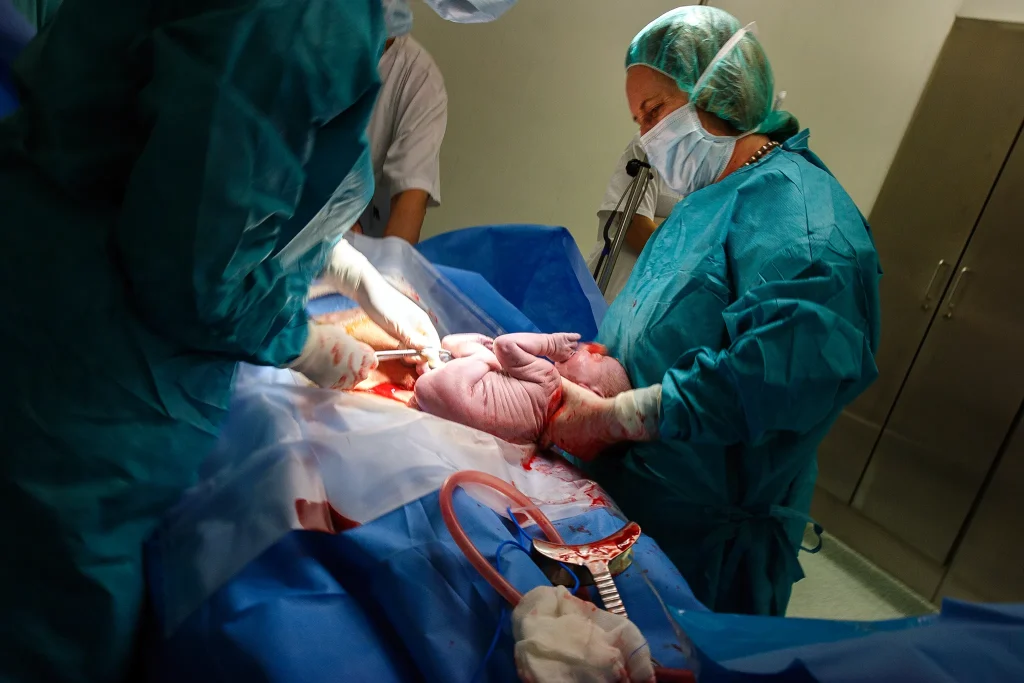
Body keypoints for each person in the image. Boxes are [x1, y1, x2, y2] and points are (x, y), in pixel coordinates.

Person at [0, 0, 517, 680]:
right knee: (49, 627)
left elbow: (236, 178)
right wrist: (301, 341)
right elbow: (190, 264)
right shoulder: (306, 15)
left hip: (107, 353)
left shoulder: (338, 24)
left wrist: (349, 268)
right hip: (79, 372)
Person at [543, 6, 882, 617]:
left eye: (655, 111)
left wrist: (620, 416)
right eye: (638, 120)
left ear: (718, 92)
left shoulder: (809, 225)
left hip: (701, 551)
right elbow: (664, 324)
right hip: (630, 510)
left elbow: (777, 378)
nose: (648, 137)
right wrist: (595, 360)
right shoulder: (707, 202)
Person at [353, 0, 448, 244]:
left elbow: (410, 198)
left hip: (364, 242)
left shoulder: (420, 80)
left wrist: (391, 265)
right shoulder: (301, 44)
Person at [588, 133, 682, 303]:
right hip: (619, 287)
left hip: (668, 297)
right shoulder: (653, 141)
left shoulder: (721, 167)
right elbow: (637, 230)